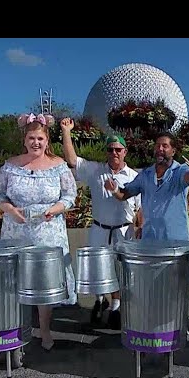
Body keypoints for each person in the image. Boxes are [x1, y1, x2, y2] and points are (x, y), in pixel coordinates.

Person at [0, 112, 78, 352]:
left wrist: (56, 209)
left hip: (48, 231)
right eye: (31, 138)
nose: (35, 143)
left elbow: (70, 195)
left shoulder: (59, 166)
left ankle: (45, 329)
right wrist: (9, 208)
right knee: (17, 281)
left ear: (47, 140)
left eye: (40, 138)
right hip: (16, 231)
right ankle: (18, 329)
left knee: (43, 282)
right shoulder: (11, 166)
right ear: (25, 140)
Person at [60, 117, 142, 330]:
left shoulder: (133, 176)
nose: (113, 153)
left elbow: (140, 209)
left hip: (123, 230)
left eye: (118, 149)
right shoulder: (96, 170)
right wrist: (66, 131)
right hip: (99, 228)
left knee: (118, 270)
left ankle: (116, 306)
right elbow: (71, 160)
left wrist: (139, 228)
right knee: (98, 268)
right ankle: (100, 300)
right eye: (110, 149)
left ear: (125, 152)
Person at [104, 131, 189, 242]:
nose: (160, 149)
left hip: (175, 243)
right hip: (150, 242)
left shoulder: (179, 171)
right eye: (157, 146)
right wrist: (114, 189)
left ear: (173, 151)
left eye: (165, 146)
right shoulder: (145, 175)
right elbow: (123, 195)